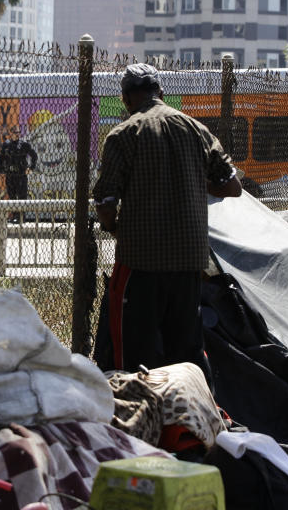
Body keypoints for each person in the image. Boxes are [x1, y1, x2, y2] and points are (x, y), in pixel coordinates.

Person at [92, 63, 242, 373]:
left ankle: (140, 409)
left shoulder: (123, 135)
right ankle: (190, 412)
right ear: (162, 93)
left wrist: (114, 228)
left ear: (127, 99)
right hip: (188, 259)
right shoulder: (197, 130)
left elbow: (105, 202)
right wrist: (193, 181)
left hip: (140, 261)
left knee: (135, 352)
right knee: (186, 349)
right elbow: (232, 186)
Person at [0, 124, 39, 201]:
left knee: (22, 199)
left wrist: (31, 168)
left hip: (21, 175)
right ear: (10, 133)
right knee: (12, 199)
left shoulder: (24, 144)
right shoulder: (6, 145)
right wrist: (1, 170)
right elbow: (1, 158)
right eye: (15, 132)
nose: (17, 134)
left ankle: (22, 213)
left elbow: (34, 156)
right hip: (10, 176)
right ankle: (15, 213)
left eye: (18, 132)